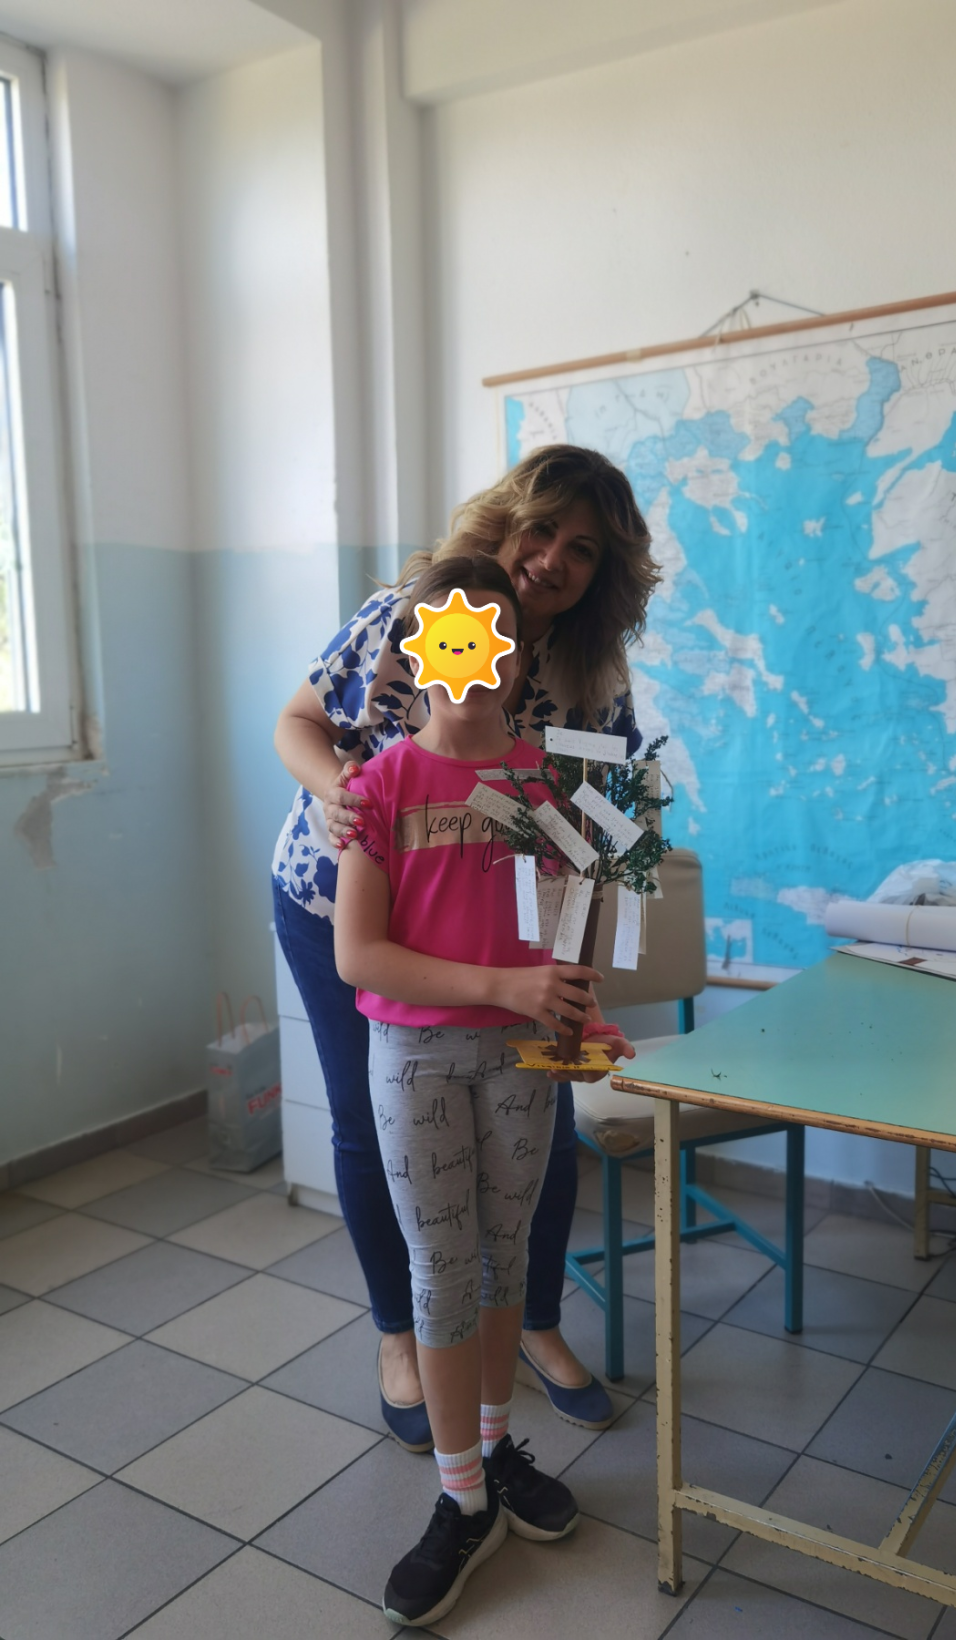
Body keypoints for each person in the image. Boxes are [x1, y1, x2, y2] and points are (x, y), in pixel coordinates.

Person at [272, 445, 659, 1441]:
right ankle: (401, 1335)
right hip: (341, 903)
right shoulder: (412, 612)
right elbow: (299, 721)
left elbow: (598, 833)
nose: (553, 558)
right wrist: (340, 793)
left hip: (497, 934)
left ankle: (532, 1322)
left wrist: (575, 984)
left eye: (583, 549)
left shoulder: (590, 677)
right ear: (508, 519)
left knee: (544, 1119)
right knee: (368, 1123)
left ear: (603, 575)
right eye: (544, 528)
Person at [335, 553, 619, 1626]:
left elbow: (575, 923)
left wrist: (581, 1008)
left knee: (506, 1257)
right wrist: (503, 985)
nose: (471, 661)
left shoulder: (551, 782)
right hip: (416, 1060)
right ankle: (461, 1497)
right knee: (443, 1269)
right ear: (417, 652)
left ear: (515, 654)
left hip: (521, 1062)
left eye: (489, 640)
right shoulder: (379, 787)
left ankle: (492, 1453)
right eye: (449, 638)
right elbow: (361, 955)